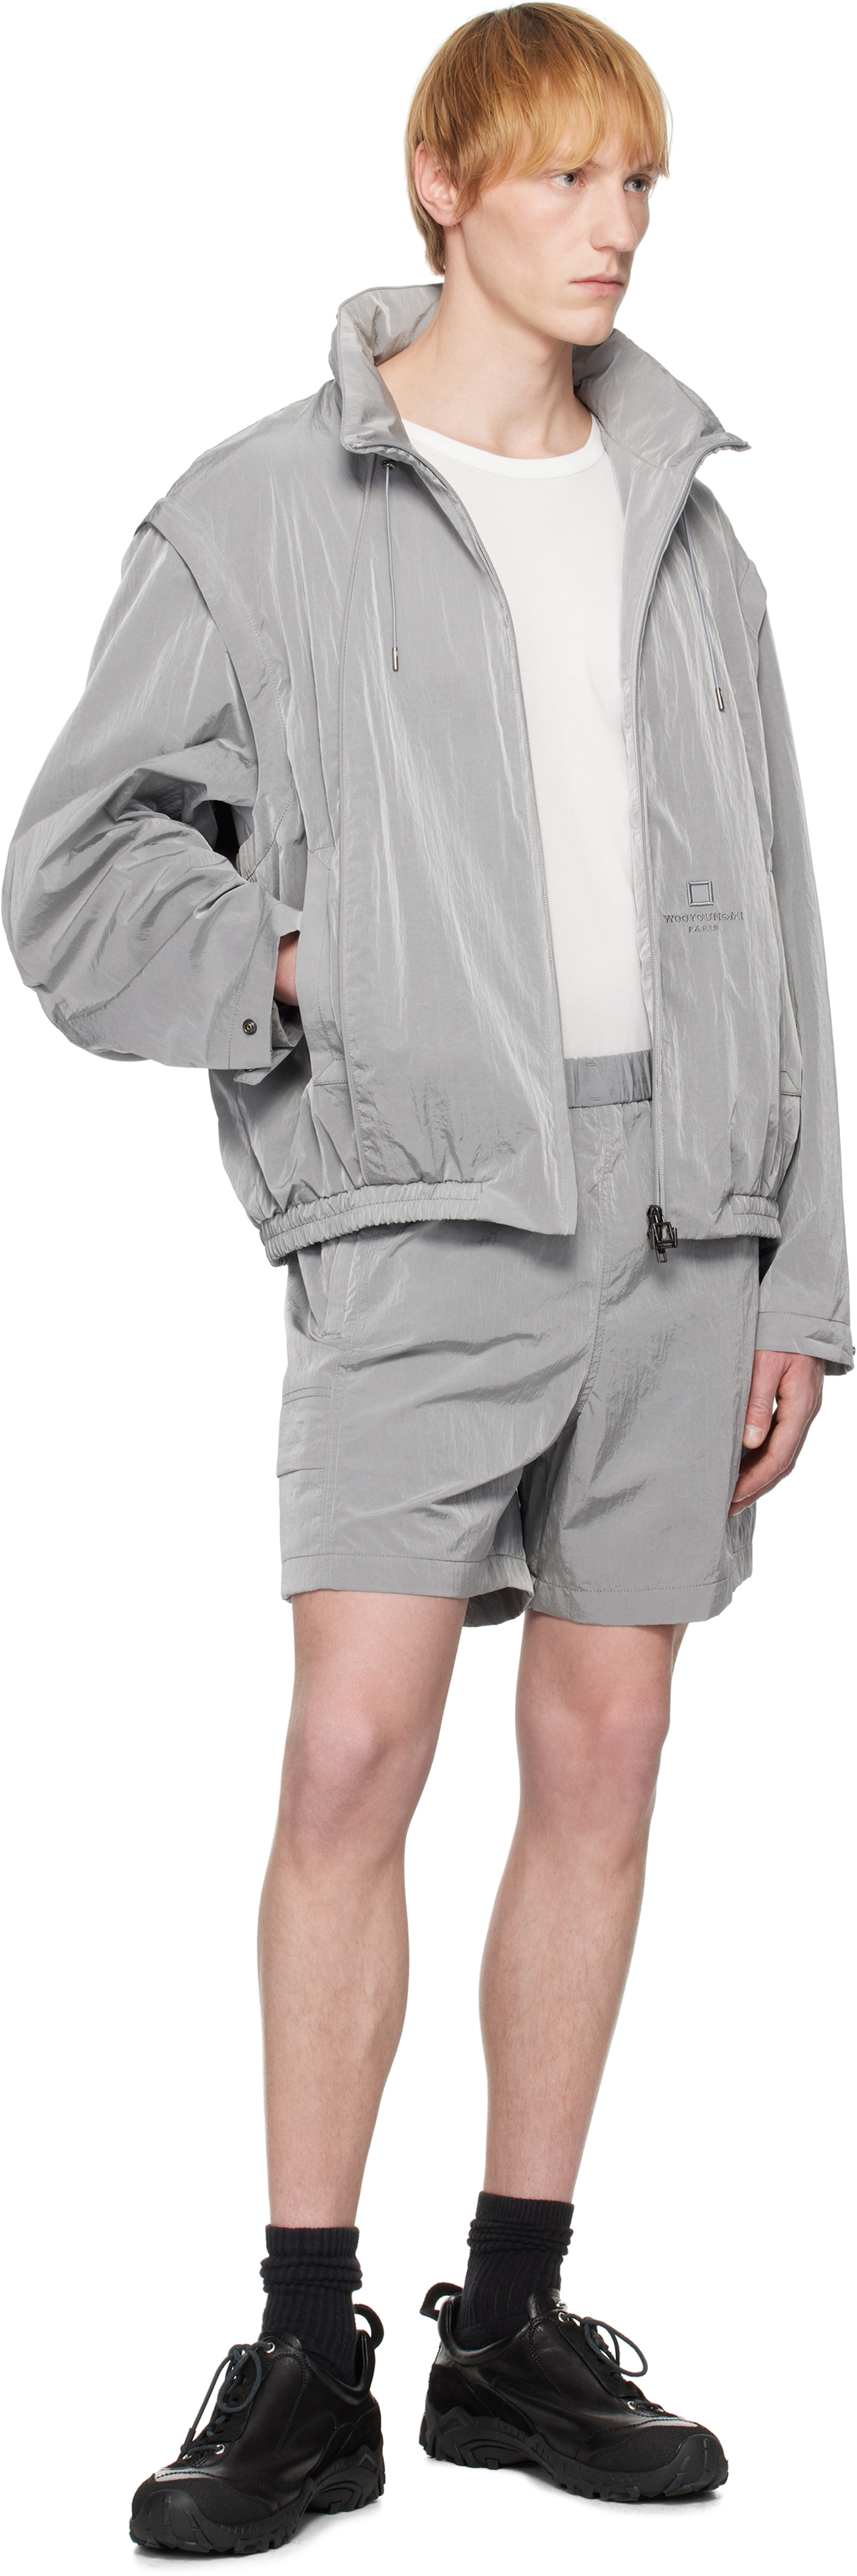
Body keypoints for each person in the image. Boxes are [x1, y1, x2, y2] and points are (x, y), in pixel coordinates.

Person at [4, 2, 852, 2552]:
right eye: (567, 177)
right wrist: (300, 971)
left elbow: (783, 903)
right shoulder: (257, 512)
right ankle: (301, 2345)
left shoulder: (686, 520)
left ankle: (512, 2319)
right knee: (352, 1755)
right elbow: (74, 871)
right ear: (440, 184)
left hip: (680, 1220)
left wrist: (801, 1269)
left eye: (640, 185)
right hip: (413, 1219)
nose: (613, 227)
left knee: (604, 1755)